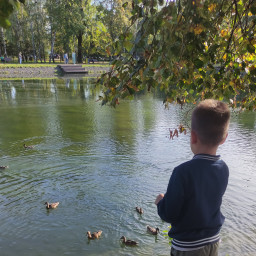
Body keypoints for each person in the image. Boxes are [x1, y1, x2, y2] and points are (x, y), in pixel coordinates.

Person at [155, 99, 231, 256]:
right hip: (213, 241)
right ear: (224, 138)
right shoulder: (224, 169)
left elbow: (170, 214)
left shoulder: (182, 172)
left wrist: (161, 202)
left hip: (188, 247)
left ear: (193, 137)